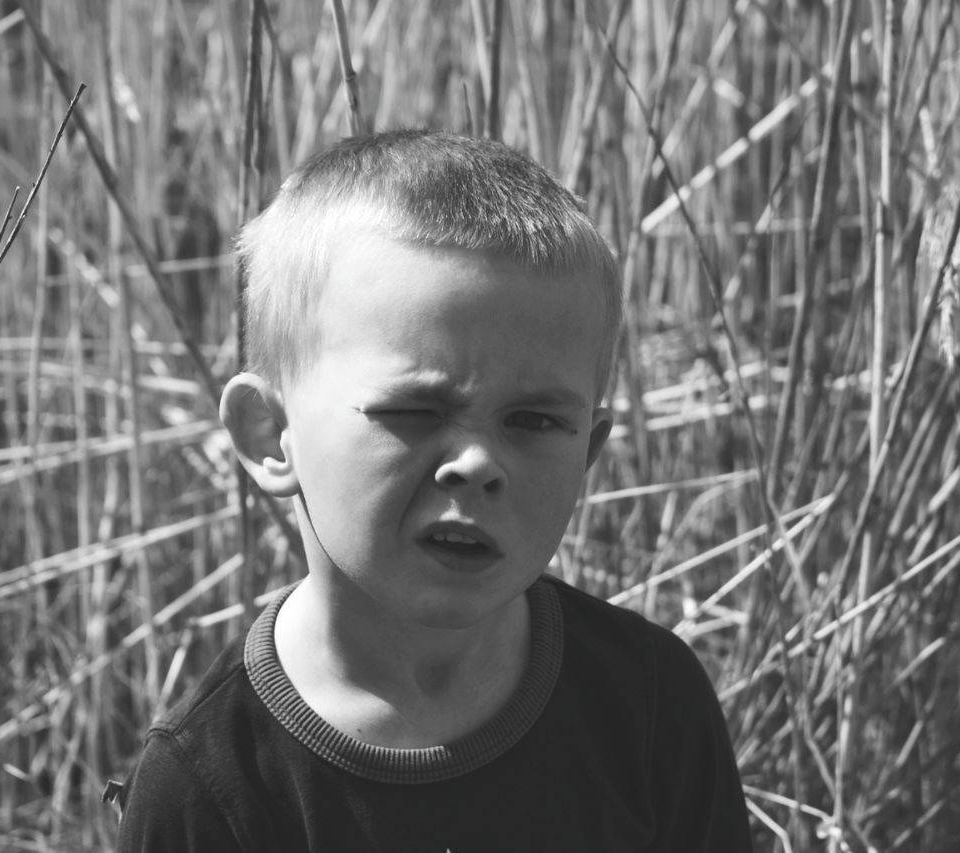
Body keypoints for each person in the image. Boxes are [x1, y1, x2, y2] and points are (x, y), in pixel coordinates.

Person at [116, 130, 753, 852]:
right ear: (270, 434)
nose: (479, 462)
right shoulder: (210, 783)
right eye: (415, 411)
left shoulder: (648, 705)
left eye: (536, 420)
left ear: (588, 454)